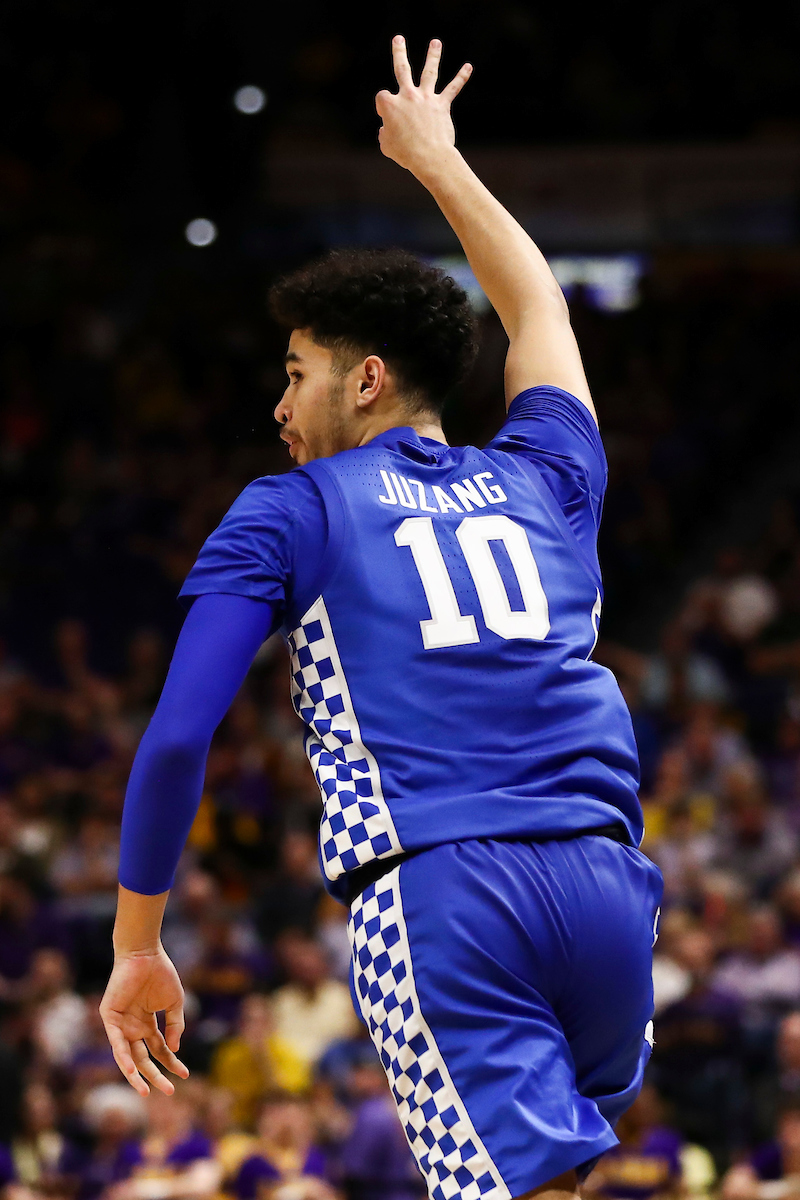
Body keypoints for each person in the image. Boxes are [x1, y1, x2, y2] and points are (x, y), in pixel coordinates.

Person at [100, 35, 662, 1200]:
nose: (277, 402)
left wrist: (137, 943)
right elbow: (536, 305)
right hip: (610, 894)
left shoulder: (290, 507)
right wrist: (439, 163)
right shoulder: (548, 474)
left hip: (447, 895)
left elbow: (173, 738)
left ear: (362, 380)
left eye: (295, 370)